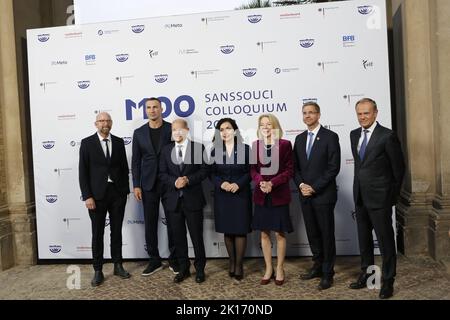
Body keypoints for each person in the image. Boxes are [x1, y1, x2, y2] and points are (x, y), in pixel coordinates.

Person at [349, 98, 405, 299]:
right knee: (364, 241)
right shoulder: (354, 134)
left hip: (380, 199)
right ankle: (368, 274)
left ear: (375, 113)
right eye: (359, 113)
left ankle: (388, 281)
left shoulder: (387, 136)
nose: (362, 117)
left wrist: (390, 198)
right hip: (360, 197)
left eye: (366, 113)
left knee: (385, 242)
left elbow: (398, 171)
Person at [78, 112, 131, 287]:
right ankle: (98, 270)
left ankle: (118, 265)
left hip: (117, 194)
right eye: (101, 121)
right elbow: (83, 172)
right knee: (97, 233)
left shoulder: (118, 141)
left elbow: (124, 167)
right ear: (96, 124)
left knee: (116, 232)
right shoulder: (87, 143)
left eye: (107, 120)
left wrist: (125, 191)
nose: (105, 123)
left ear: (112, 123)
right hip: (96, 196)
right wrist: (87, 196)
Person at [293, 102, 341, 290]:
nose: (308, 116)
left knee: (326, 234)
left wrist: (314, 187)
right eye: (305, 113)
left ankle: (328, 273)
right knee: (312, 234)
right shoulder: (299, 139)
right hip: (305, 194)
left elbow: (333, 168)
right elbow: (295, 168)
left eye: (311, 112)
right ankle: (318, 266)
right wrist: (302, 185)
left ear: (318, 115)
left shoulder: (330, 137)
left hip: (323, 195)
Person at [159, 119, 209, 283]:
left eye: (180, 129)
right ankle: (184, 268)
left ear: (187, 130)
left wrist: (188, 179)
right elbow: (162, 174)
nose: (177, 132)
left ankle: (200, 269)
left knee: (196, 237)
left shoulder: (197, 148)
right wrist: (175, 182)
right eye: (174, 130)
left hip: (192, 200)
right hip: (173, 201)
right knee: (178, 238)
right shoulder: (166, 150)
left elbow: (204, 171)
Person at [131, 97, 177, 276]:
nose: (152, 110)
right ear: (145, 110)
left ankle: (174, 259)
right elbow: (135, 162)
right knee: (150, 223)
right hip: (148, 184)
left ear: (161, 109)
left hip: (169, 182)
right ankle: (154, 260)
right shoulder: (139, 133)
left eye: (155, 107)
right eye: (149, 108)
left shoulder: (171, 128)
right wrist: (136, 185)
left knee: (173, 222)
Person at [251, 114, 294, 286]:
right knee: (264, 233)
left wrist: (272, 183)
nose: (266, 127)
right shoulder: (255, 145)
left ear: (275, 126)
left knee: (280, 233)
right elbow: (252, 170)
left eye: (269, 124)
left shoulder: (285, 145)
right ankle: (268, 268)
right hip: (261, 195)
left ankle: (280, 268)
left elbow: (290, 170)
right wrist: (261, 181)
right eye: (263, 125)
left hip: (279, 194)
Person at [210, 118, 252, 281]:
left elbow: (251, 172)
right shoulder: (214, 151)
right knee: (228, 231)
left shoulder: (246, 149)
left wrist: (238, 184)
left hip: (240, 195)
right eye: (221, 129)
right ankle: (232, 261)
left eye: (228, 128)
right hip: (223, 195)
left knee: (240, 230)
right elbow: (211, 173)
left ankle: (239, 264)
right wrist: (222, 184)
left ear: (234, 131)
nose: (225, 132)